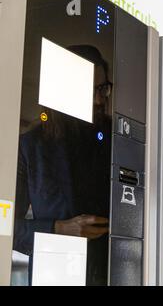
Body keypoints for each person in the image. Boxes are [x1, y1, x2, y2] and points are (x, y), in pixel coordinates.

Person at [14, 45, 112, 286]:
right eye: (90, 90)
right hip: (54, 275)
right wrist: (57, 228)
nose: (99, 100)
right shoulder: (31, 145)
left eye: (103, 89)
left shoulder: (116, 139)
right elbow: (7, 228)